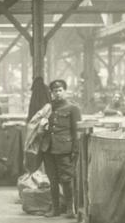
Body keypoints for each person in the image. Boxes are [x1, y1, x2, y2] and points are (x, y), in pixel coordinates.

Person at [42, 79, 81, 218]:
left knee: (66, 179)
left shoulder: (73, 108)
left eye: (60, 90)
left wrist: (75, 150)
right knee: (52, 179)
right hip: (48, 148)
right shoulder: (48, 108)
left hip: (64, 148)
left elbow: (77, 131)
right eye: (54, 91)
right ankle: (55, 209)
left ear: (65, 91)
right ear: (51, 92)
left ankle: (70, 209)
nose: (57, 93)